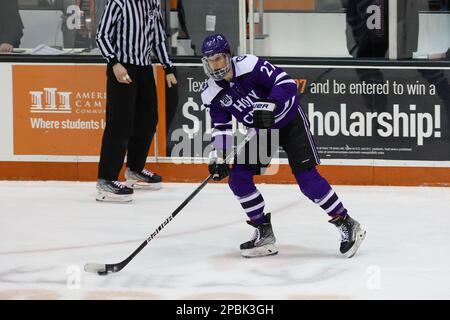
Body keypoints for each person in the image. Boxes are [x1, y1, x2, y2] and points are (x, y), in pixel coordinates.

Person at [200, 34, 366, 258]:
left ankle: (347, 222)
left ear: (228, 56)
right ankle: (263, 232)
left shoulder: (248, 65)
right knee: (238, 178)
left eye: (218, 58)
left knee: (307, 180)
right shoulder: (211, 92)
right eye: (210, 60)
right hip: (262, 132)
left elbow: (286, 83)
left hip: (289, 120)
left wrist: (269, 104)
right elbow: (221, 126)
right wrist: (218, 156)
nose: (214, 65)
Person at [95, 0, 177, 202]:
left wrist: (168, 67)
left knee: (148, 120)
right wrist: (114, 63)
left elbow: (158, 36)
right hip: (122, 68)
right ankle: (106, 180)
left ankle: (134, 169)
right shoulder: (119, 2)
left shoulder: (153, 3)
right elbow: (102, 35)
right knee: (119, 124)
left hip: (144, 68)